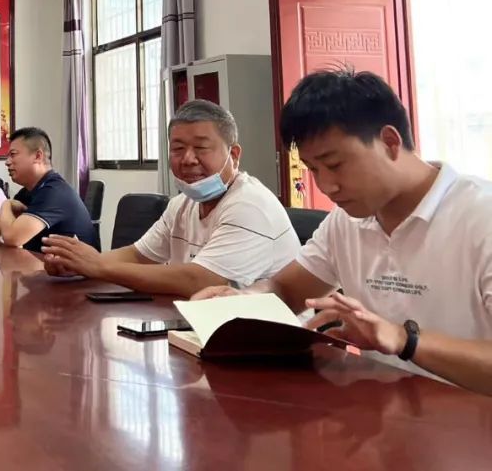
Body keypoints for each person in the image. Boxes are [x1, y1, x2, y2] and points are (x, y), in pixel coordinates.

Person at [193, 69, 492, 395]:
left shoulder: (480, 216)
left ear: (390, 142)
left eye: (335, 165)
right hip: (383, 410)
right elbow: (285, 289)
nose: (326, 186)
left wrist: (404, 339)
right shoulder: (346, 222)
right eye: (313, 169)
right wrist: (243, 299)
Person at [41, 100, 299, 297]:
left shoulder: (249, 205)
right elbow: (138, 256)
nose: (188, 159)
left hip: (275, 340)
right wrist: (77, 265)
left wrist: (98, 266)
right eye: (177, 148)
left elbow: (199, 280)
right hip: (205, 327)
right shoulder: (181, 205)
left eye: (201, 148)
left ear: (234, 154)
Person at [0, 127, 98, 251]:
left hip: (78, 279)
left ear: (38, 156)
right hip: (46, 270)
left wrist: (6, 204)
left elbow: (13, 238)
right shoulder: (30, 190)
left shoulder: (54, 191)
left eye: (13, 154)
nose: (7, 162)